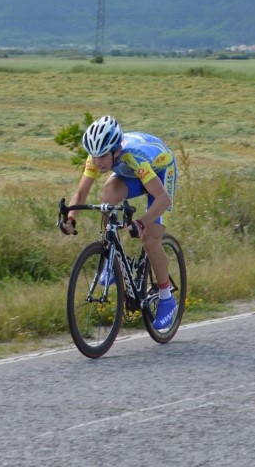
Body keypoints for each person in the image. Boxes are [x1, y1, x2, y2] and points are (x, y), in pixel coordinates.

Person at [60, 115, 179, 332]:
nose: (99, 162)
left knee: (150, 241)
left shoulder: (134, 157)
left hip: (160, 173)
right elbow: (81, 192)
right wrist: (71, 218)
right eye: (95, 156)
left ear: (116, 151)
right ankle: (112, 255)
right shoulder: (96, 157)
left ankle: (166, 298)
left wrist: (141, 222)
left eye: (103, 156)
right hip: (135, 175)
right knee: (108, 195)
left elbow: (163, 199)